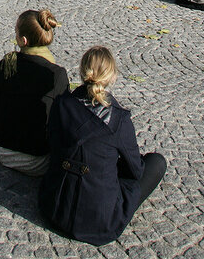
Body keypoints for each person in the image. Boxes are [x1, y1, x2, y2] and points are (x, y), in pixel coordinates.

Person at [38, 46, 166, 246]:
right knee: (156, 162)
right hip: (98, 221)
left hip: (56, 206)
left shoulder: (62, 104)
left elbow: (53, 144)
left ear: (82, 72)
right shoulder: (118, 119)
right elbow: (136, 170)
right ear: (112, 77)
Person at [0, 9, 69, 175]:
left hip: (1, 149)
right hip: (37, 159)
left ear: (23, 41)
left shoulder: (8, 62)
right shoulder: (56, 74)